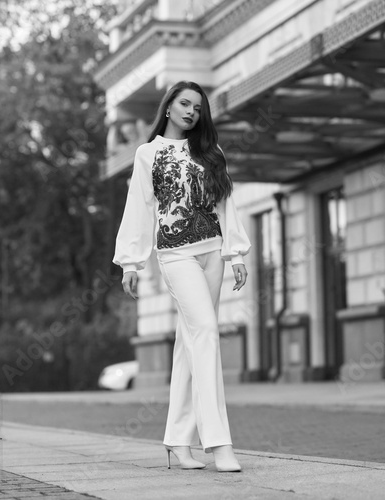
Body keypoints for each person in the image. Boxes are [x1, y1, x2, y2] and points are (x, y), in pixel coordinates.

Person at [113, 81, 251, 472]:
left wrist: (236, 253)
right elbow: (138, 207)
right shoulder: (148, 154)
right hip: (175, 255)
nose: (192, 111)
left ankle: (177, 441)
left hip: (213, 254)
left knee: (189, 347)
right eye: (185, 103)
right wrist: (131, 263)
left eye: (198, 107)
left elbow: (226, 203)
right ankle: (219, 443)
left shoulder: (210, 152)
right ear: (169, 106)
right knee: (206, 331)